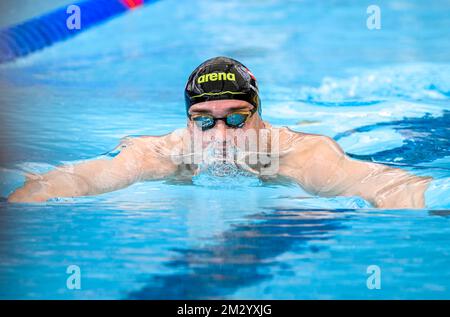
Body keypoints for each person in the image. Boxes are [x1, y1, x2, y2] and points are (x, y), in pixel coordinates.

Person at [8, 57, 432, 208]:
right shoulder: (160, 154)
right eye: (205, 120)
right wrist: (28, 197)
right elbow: (82, 178)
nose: (221, 136)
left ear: (260, 115)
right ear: (189, 121)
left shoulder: (300, 155)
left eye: (236, 117)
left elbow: (384, 186)